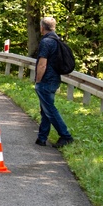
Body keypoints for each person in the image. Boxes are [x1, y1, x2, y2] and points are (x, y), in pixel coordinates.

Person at [35, 16, 74, 148]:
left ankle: (66, 136)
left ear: (42, 28)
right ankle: (42, 138)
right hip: (55, 79)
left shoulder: (46, 42)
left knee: (50, 109)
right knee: (46, 108)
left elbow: (42, 65)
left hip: (46, 80)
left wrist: (38, 81)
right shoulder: (57, 40)